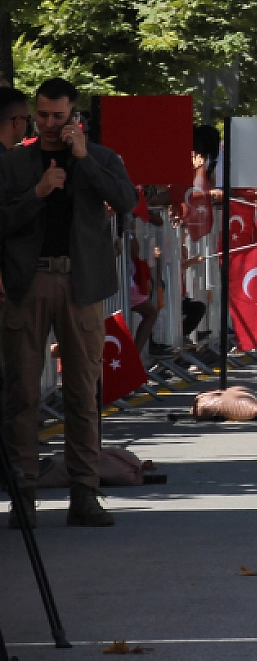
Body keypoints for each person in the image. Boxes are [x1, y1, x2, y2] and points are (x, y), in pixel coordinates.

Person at [1, 77, 137, 528]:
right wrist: (38, 192)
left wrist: (84, 161)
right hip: (30, 281)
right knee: (22, 390)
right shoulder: (17, 162)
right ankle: (23, 491)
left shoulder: (98, 157)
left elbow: (125, 199)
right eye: (43, 116)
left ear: (75, 116)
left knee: (82, 389)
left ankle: (85, 490)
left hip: (81, 284)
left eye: (59, 117)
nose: (51, 124)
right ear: (33, 116)